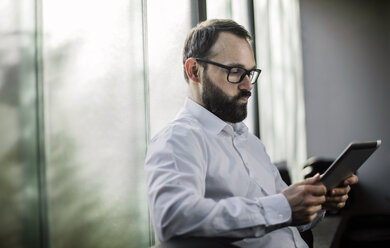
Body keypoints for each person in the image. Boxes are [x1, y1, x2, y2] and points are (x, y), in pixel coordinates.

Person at [145, 19, 358, 248]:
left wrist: (317, 201)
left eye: (250, 73)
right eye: (235, 72)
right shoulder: (178, 139)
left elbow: (285, 219)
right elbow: (173, 218)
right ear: (194, 71)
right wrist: (283, 207)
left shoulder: (250, 143)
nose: (248, 86)